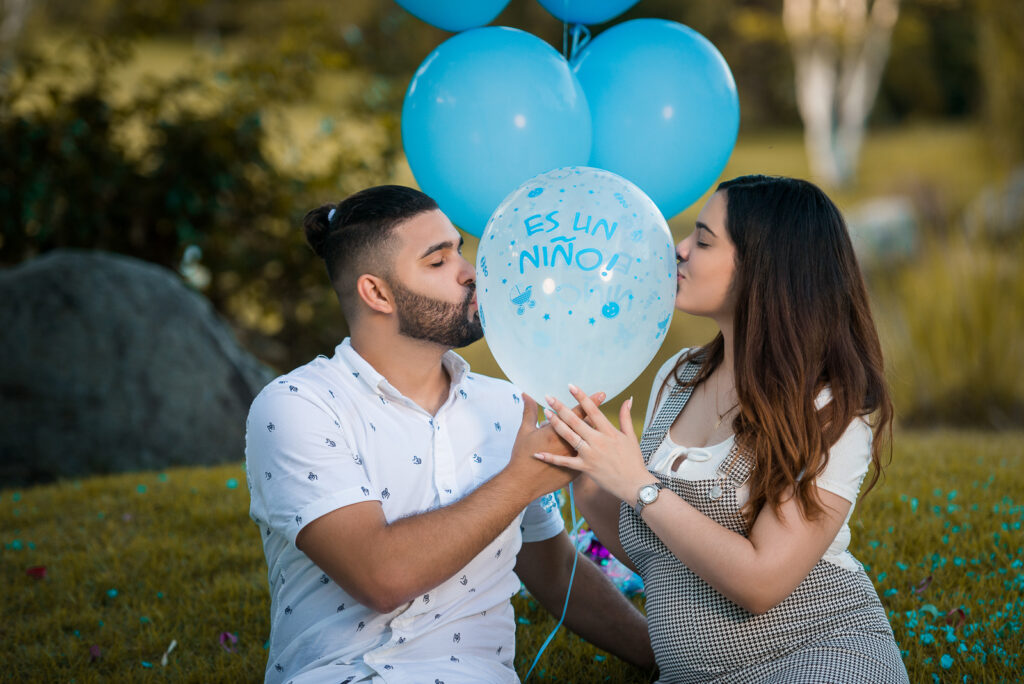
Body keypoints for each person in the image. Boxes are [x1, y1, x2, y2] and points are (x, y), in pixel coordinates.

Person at [244, 185, 654, 684]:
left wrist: (672, 663)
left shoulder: (507, 406)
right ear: (376, 293)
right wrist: (519, 481)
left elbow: (554, 570)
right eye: (438, 262)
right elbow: (381, 576)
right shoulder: (298, 407)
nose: (471, 272)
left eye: (459, 250)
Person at [535, 175, 910, 683]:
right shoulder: (680, 375)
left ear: (766, 269)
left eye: (704, 241)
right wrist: (583, 464)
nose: (680, 250)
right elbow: (658, 549)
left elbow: (761, 582)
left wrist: (640, 485)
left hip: (818, 657)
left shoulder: (828, 411)